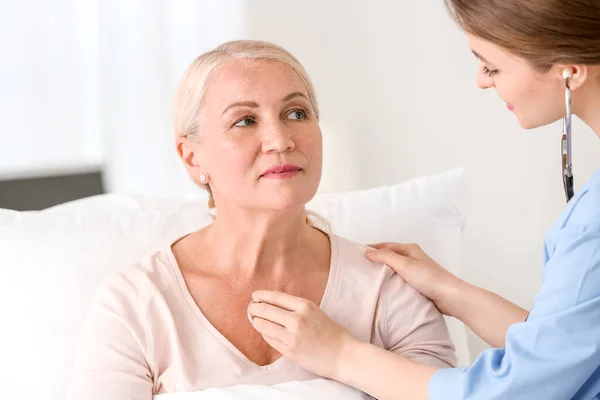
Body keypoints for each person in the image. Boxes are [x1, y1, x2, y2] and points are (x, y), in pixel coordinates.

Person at [66, 40, 456, 399]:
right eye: (245, 121)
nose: (280, 139)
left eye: (296, 113)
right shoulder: (136, 303)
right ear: (192, 157)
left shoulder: (385, 288)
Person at [248, 1, 600, 399]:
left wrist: (341, 355)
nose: (482, 81)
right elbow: (567, 352)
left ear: (569, 70)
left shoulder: (592, 224)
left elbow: (518, 390)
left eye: (493, 66)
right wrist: (452, 293)